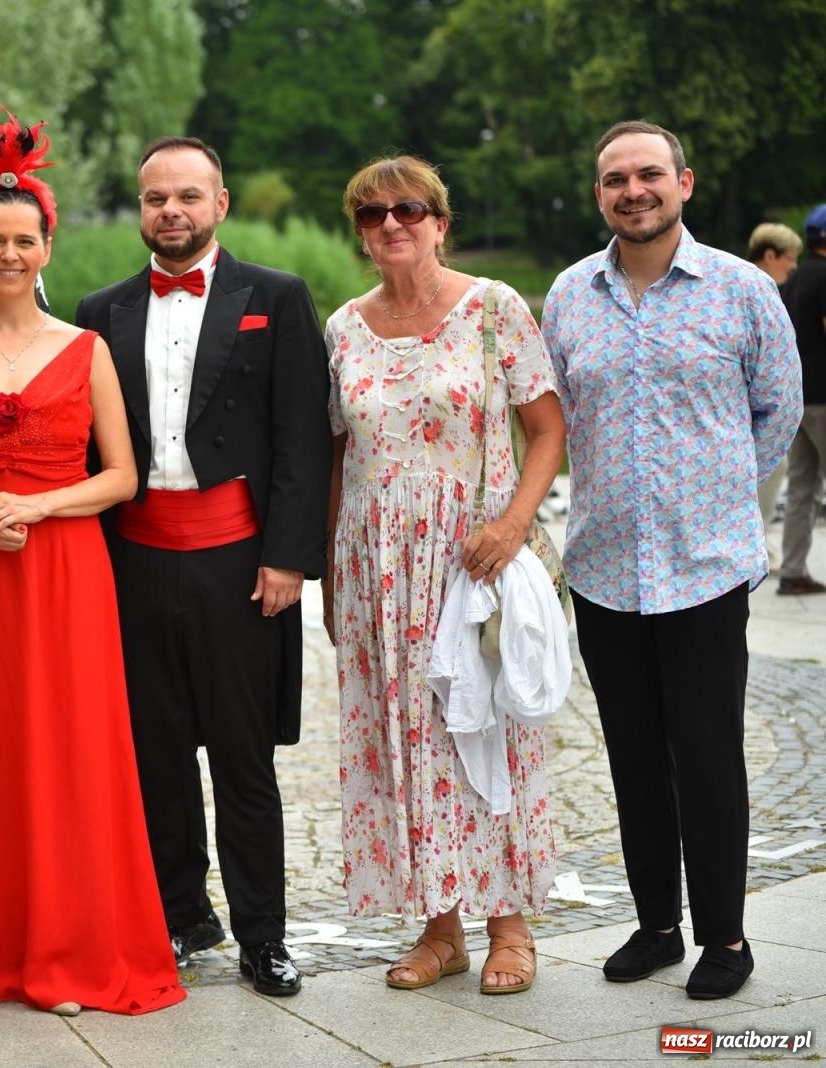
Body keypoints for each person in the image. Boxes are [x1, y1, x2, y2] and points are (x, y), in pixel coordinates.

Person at [0, 108, 185, 1018]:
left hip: (66, 569)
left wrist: (37, 505)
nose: (10, 254)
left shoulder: (87, 349)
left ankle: (69, 948)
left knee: (72, 751)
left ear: (46, 248)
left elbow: (122, 476)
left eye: (25, 240)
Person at [542, 120, 801, 1000]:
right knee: (633, 758)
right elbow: (557, 417)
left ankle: (726, 938)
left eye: (649, 173)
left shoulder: (741, 289)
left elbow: (779, 410)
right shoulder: (569, 296)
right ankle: (657, 925)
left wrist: (719, 496)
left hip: (704, 568)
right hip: (605, 568)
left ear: (683, 183)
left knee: (708, 757)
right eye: (615, 179)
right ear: (599, 194)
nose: (633, 190)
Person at [75, 136, 330, 997]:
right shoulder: (100, 310)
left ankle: (265, 936)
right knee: (155, 759)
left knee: (243, 760)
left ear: (219, 203)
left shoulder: (277, 297)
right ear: (141, 208)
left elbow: (302, 439)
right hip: (136, 562)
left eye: (188, 196)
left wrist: (289, 558)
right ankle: (181, 918)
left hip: (240, 564)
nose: (171, 212)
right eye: (156, 198)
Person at [322, 156, 565, 994]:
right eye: (372, 214)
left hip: (472, 558)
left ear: (440, 222)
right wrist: (332, 579)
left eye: (409, 209)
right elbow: (339, 456)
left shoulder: (494, 308)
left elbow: (547, 429)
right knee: (402, 741)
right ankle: (439, 927)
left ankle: (510, 925)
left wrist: (513, 524)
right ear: (360, 233)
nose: (392, 223)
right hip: (376, 569)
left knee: (485, 734)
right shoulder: (343, 328)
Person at [748, 222, 804, 570]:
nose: (794, 266)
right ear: (770, 255)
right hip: (759, 412)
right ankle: (759, 541)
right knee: (774, 470)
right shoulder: (755, 289)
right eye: (790, 259)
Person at [778, 205, 826, 595]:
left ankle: (793, 570)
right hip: (825, 397)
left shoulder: (792, 280)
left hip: (797, 397)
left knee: (800, 487)